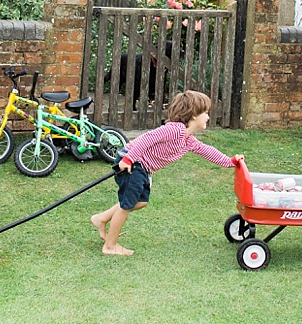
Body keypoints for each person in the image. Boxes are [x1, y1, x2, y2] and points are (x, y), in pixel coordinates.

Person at [90, 90, 243, 256]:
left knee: (140, 202)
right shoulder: (173, 129)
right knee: (127, 204)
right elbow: (145, 139)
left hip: (142, 167)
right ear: (193, 115)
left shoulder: (188, 139)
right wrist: (128, 159)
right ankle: (110, 246)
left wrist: (229, 161)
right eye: (205, 113)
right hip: (133, 163)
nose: (207, 117)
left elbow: (207, 150)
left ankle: (101, 219)